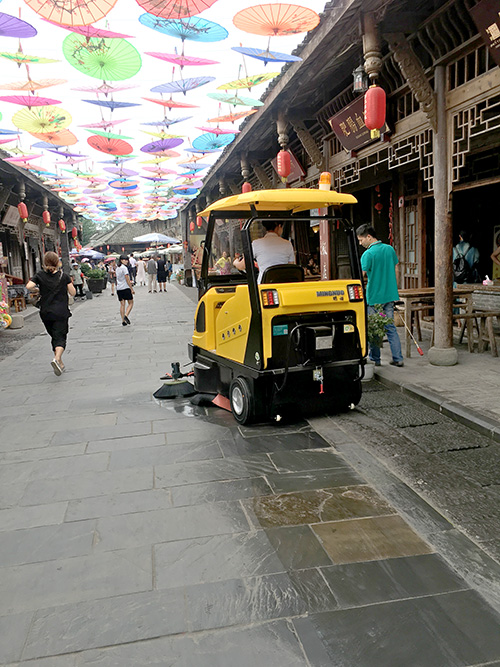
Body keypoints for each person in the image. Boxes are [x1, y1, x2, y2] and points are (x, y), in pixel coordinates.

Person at [356, 223, 404, 367]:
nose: (360, 243)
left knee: (375, 328)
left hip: (374, 296)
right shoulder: (389, 249)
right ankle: (398, 358)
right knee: (390, 328)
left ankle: (375, 359)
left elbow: (360, 276)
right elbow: (396, 269)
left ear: (369, 237)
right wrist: (394, 288)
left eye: (361, 240)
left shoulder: (368, 254)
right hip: (389, 295)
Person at [26, 251, 76, 376]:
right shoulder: (63, 276)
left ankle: (60, 363)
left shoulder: (40, 275)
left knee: (54, 335)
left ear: (45, 263)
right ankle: (57, 358)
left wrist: (38, 288)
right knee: (60, 337)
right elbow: (73, 293)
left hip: (46, 312)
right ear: (57, 262)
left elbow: (28, 286)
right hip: (61, 312)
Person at [116, 255, 134, 325]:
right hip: (125, 288)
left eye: (127, 260)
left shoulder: (117, 268)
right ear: (121, 260)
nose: (126, 261)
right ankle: (126, 315)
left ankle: (123, 320)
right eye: (124, 260)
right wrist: (131, 288)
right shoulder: (124, 268)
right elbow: (127, 279)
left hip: (119, 288)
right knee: (131, 303)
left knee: (122, 304)